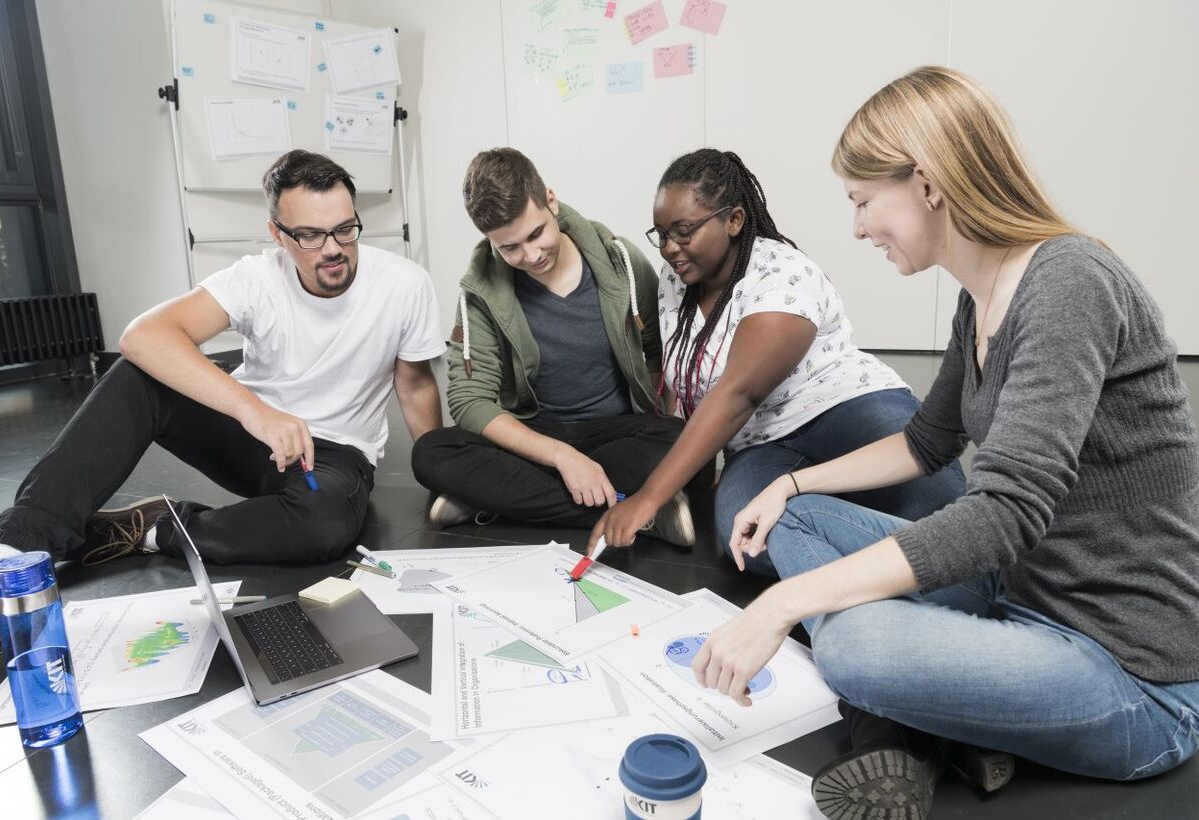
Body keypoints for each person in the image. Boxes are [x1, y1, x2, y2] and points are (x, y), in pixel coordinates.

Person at [693, 67, 1199, 820]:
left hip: (1128, 673)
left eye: (864, 201)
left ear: (927, 183)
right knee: (793, 520)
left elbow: (1003, 514)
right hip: (1018, 592)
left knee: (853, 648)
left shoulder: (1069, 283)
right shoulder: (982, 296)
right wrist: (790, 487)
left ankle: (911, 724)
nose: (859, 227)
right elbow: (927, 445)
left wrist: (783, 604)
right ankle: (949, 720)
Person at [0, 149, 444, 661]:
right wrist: (255, 412)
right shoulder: (256, 278)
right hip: (252, 434)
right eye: (309, 235)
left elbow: (415, 385)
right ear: (278, 234)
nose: (333, 249)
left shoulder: (405, 283)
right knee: (138, 374)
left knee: (326, 525)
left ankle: (153, 528)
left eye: (345, 230)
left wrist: (441, 474)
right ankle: (8, 560)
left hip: (330, 456)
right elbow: (143, 336)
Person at [588, 148, 964, 556]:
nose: (669, 248)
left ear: (734, 220)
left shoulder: (783, 272)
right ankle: (897, 552)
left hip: (843, 408)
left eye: (683, 231)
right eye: (661, 235)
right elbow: (685, 386)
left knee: (936, 498)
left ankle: (880, 548)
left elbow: (738, 393)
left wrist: (649, 498)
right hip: (761, 445)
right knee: (747, 540)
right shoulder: (674, 281)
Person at [411, 148, 696, 542]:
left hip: (612, 434)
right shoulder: (480, 289)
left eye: (536, 233)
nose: (530, 256)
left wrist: (662, 429)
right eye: (509, 248)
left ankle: (496, 499)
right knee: (431, 452)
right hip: (531, 436)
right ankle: (642, 510)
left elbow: (656, 356)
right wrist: (562, 457)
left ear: (550, 200)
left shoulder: (623, 263)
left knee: (683, 439)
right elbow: (469, 400)